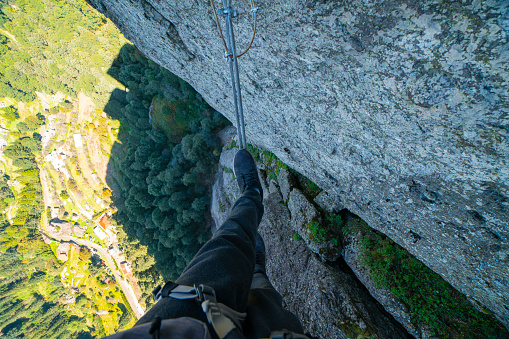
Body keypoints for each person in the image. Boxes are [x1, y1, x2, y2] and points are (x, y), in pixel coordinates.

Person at [106, 149, 308, 339]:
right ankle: (255, 271)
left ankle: (251, 194)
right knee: (266, 303)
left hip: (174, 323)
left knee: (228, 244)